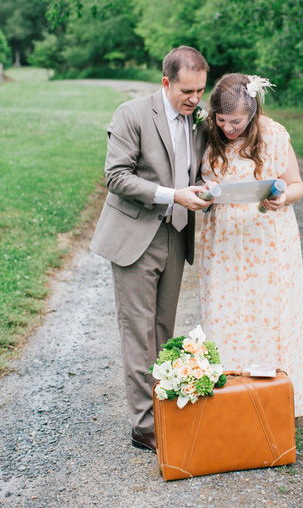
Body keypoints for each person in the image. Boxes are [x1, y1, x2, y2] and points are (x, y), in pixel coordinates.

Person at [90, 46, 212, 453]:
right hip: (135, 237)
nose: (195, 99)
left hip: (176, 236)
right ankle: (144, 426)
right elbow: (116, 177)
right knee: (138, 333)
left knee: (163, 331)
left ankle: (164, 410)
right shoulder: (132, 114)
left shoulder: (199, 122)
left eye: (200, 90)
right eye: (187, 91)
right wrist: (172, 195)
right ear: (166, 83)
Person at [199, 73, 303, 417]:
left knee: (268, 317)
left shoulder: (274, 135)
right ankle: (233, 404)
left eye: (235, 121)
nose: (228, 128)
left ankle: (273, 404)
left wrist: (283, 198)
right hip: (223, 245)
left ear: (251, 112)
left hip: (267, 243)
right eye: (221, 120)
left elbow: (296, 184)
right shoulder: (208, 134)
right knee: (226, 316)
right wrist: (205, 195)